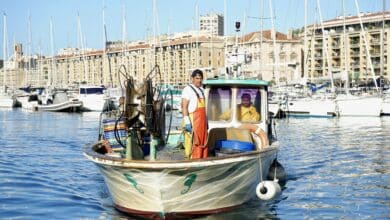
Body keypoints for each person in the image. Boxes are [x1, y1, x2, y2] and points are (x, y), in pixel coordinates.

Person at [181, 69, 208, 159]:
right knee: (192, 144)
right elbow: (184, 107)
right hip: (193, 122)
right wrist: (187, 122)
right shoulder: (187, 90)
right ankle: (191, 161)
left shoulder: (201, 90)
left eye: (200, 78)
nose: (199, 80)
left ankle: (202, 161)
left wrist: (206, 123)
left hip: (202, 124)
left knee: (203, 143)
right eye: (197, 78)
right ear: (192, 78)